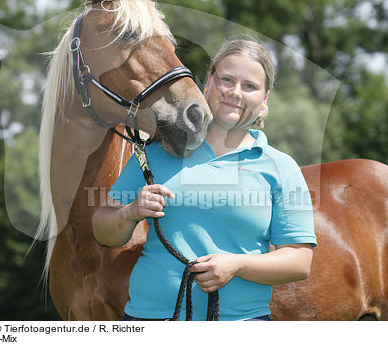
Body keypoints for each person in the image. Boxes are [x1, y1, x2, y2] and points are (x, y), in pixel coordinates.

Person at [92, 38, 317, 321]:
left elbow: (299, 261)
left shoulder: (281, 167)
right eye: (226, 80)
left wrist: (237, 266)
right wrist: (130, 212)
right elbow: (102, 231)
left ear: (265, 98)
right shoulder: (156, 152)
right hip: (150, 319)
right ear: (208, 81)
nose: (235, 93)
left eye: (249, 86)